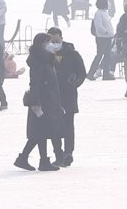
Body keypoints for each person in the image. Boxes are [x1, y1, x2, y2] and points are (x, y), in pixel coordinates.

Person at [14, 33, 63, 172]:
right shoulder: (39, 61)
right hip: (42, 101)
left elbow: (59, 63)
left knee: (41, 132)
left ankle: (34, 159)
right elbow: (35, 82)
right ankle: (32, 159)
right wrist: (36, 102)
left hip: (47, 100)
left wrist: (56, 53)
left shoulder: (46, 59)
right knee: (40, 132)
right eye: (48, 42)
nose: (51, 44)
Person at [47, 27, 86, 167]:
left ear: (61, 37)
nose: (54, 42)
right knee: (54, 126)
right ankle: (58, 153)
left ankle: (68, 152)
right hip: (51, 94)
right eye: (51, 40)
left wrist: (74, 83)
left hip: (68, 94)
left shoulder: (72, 54)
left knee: (68, 124)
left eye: (56, 39)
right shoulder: (46, 53)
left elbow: (82, 72)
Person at [88, 0, 117, 81]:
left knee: (107, 56)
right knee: (99, 55)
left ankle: (106, 74)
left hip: (107, 37)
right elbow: (99, 26)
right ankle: (91, 73)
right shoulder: (98, 13)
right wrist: (106, 32)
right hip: (102, 37)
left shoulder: (104, 13)